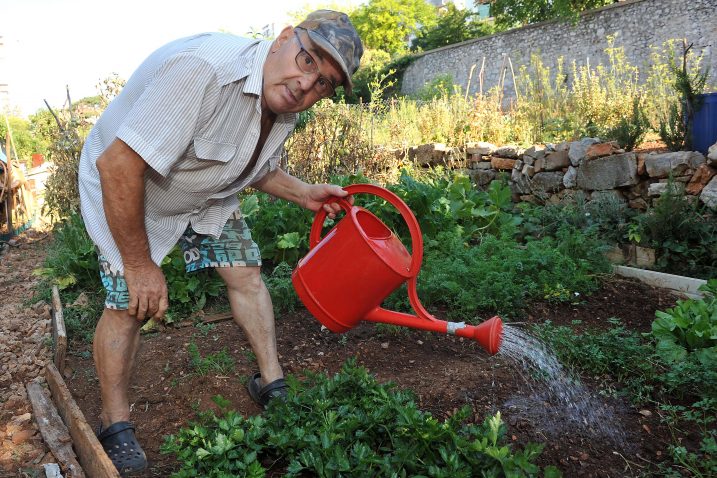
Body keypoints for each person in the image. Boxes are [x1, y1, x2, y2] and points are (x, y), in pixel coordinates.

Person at [78, 10, 363, 474]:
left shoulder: (283, 101)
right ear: (285, 38)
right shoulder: (204, 70)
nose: (306, 86)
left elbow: (251, 163)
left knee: (246, 273)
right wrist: (140, 264)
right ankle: (116, 424)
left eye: (324, 84)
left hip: (204, 192)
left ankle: (271, 383)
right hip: (131, 193)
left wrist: (304, 193)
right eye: (307, 61)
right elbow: (118, 166)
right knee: (127, 303)